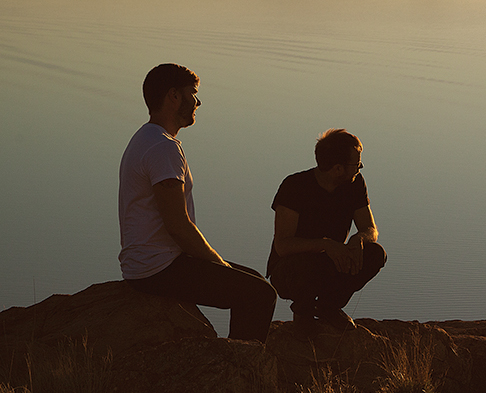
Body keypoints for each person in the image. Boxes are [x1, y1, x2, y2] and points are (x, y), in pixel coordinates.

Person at [120, 63, 276, 342]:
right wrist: (217, 263)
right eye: (193, 94)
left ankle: (238, 353)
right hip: (158, 270)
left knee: (255, 280)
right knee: (260, 295)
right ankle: (242, 366)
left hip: (149, 263)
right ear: (173, 96)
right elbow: (178, 226)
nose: (198, 102)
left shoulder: (147, 137)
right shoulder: (163, 147)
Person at [267, 128, 386, 336]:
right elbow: (283, 245)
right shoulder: (294, 186)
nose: (360, 167)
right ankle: (303, 313)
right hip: (291, 268)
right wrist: (325, 244)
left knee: (376, 254)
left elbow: (370, 229)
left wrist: (359, 238)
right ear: (338, 168)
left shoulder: (355, 183)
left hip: (333, 260)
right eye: (356, 164)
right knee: (308, 266)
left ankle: (328, 307)